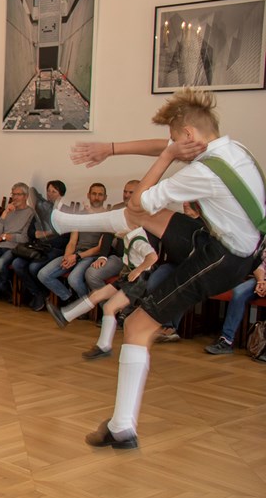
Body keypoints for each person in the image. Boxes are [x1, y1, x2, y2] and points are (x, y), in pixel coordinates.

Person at [36, 88, 265, 449]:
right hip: (225, 242)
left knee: (139, 324)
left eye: (174, 140)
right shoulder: (235, 151)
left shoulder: (205, 173)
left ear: (188, 136)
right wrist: (111, 149)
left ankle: (123, 426)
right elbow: (162, 150)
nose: (169, 146)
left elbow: (139, 198)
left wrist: (170, 156)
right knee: (153, 217)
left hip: (222, 259)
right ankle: (67, 223)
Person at [47, 227, 159, 360]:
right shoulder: (129, 237)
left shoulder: (138, 240)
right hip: (129, 276)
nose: (114, 230)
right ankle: (65, 316)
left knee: (109, 307)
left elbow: (153, 257)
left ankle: (104, 346)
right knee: (96, 295)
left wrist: (138, 270)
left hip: (138, 281)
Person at [36, 183, 111, 304]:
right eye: (94, 194)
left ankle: (85, 306)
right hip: (75, 253)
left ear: (105, 197)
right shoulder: (80, 216)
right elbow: (72, 241)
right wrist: (67, 256)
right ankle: (70, 299)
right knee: (43, 274)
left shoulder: (107, 218)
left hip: (91, 257)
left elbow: (100, 248)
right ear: (88, 195)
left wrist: (76, 257)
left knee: (74, 279)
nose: (96, 197)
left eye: (100, 194)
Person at [11, 180, 69, 310]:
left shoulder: (66, 211)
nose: (50, 194)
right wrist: (44, 234)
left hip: (55, 249)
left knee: (33, 267)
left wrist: (45, 235)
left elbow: (64, 237)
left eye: (54, 191)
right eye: (48, 191)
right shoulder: (41, 208)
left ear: (61, 194)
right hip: (38, 247)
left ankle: (43, 294)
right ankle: (38, 293)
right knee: (17, 264)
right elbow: (31, 232)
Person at [84, 180, 141, 292]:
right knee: (91, 274)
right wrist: (103, 256)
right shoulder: (117, 208)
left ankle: (114, 305)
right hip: (117, 257)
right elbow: (108, 233)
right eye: (125, 192)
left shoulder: (147, 211)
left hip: (135, 260)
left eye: (131, 192)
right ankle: (109, 305)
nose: (126, 195)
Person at [205, 250, 266, 354]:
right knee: (239, 292)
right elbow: (260, 266)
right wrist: (261, 281)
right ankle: (226, 340)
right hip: (262, 279)